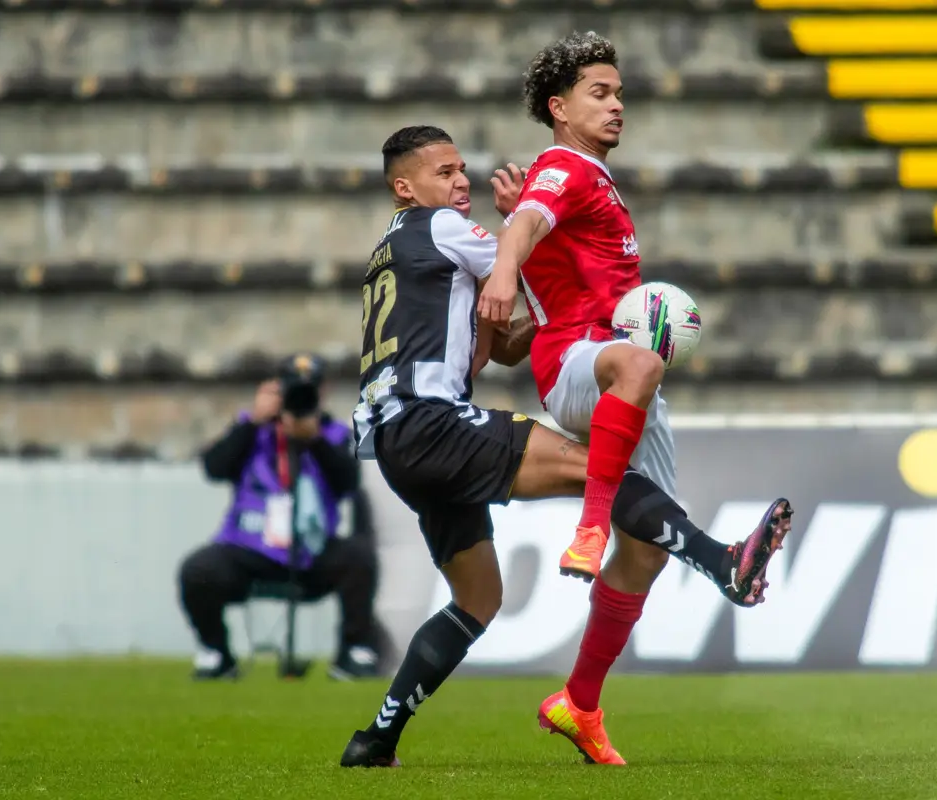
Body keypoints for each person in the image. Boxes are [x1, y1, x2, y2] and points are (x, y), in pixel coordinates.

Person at [340, 125, 792, 768]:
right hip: (434, 423)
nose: (460, 180)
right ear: (403, 187)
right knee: (596, 468)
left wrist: (521, 303)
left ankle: (375, 741)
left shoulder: (389, 253)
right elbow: (517, 261)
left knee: (478, 600)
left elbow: (498, 344)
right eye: (443, 173)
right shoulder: (440, 228)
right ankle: (721, 562)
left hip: (396, 443)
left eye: (461, 168)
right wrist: (520, 220)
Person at [476, 32, 793, 764]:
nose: (617, 105)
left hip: (603, 364)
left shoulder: (584, 179)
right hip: (592, 367)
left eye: (619, 93)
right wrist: (501, 265)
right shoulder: (565, 165)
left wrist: (518, 284)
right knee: (644, 364)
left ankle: (578, 704)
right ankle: (611, 531)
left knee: (647, 551)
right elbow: (526, 226)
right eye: (600, 93)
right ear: (558, 108)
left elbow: (539, 276)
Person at [178, 355, 383, 682]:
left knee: (358, 559)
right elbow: (214, 467)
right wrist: (253, 420)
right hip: (251, 546)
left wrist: (312, 439)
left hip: (311, 550)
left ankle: (353, 651)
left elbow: (348, 482)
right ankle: (216, 653)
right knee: (198, 570)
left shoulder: (333, 434)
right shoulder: (252, 429)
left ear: (323, 392)